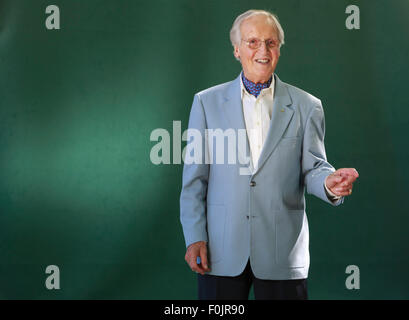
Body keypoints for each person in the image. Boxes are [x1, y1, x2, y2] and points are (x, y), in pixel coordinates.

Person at [179, 9, 359, 300]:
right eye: (252, 42)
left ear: (279, 49)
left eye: (271, 43)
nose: (263, 50)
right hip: (220, 250)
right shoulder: (206, 103)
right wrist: (195, 237)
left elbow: (313, 168)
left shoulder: (307, 106)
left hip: (282, 252)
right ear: (237, 49)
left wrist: (328, 184)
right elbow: (194, 180)